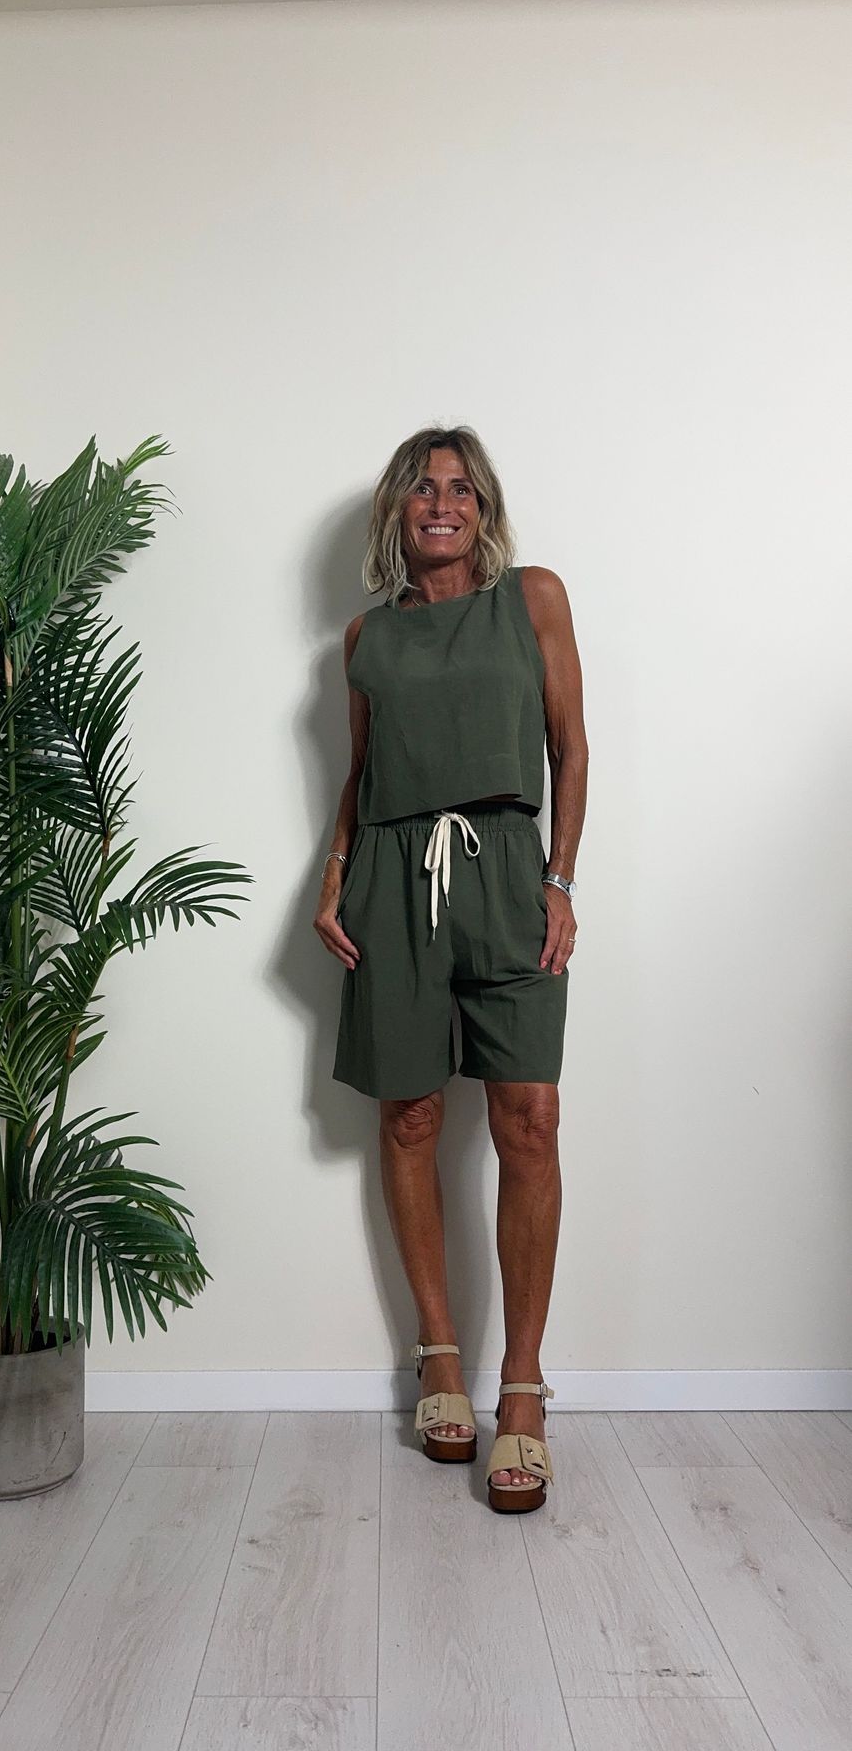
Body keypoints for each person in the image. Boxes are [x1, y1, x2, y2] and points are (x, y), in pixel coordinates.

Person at [314, 426, 588, 1513]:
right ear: (397, 507)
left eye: (461, 489)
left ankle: (520, 1388)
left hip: (508, 868)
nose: (442, 502)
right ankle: (437, 1357)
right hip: (393, 879)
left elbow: (569, 747)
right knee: (411, 1117)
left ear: (484, 510)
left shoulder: (532, 599)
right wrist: (334, 872)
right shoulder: (365, 637)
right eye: (423, 487)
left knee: (530, 1119)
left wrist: (559, 878)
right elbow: (360, 770)